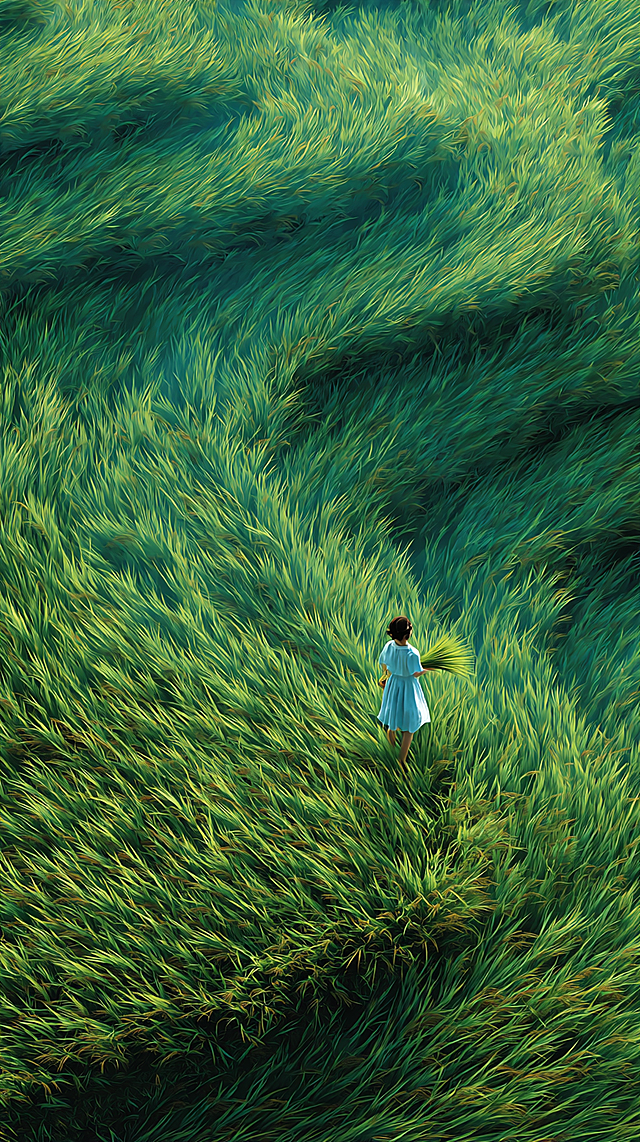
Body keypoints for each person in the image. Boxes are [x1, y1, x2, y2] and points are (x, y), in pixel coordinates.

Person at [377, 615, 437, 767]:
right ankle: (401, 759)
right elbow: (415, 673)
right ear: (407, 634)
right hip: (408, 687)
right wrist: (428, 668)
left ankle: (391, 750)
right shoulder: (412, 653)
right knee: (409, 724)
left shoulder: (389, 646)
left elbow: (384, 664)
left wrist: (385, 675)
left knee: (393, 718)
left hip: (393, 684)